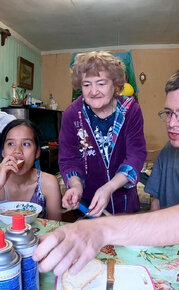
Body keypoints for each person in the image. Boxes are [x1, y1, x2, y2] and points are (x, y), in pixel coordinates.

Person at [33, 68, 179, 288]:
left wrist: (102, 229)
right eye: (169, 112)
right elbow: (156, 208)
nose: (172, 123)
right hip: (165, 258)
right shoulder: (168, 152)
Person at [59, 51, 147, 217]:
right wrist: (75, 186)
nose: (93, 91)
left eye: (101, 83)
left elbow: (136, 155)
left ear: (115, 85)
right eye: (86, 85)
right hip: (88, 207)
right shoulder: (72, 114)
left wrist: (109, 187)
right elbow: (69, 158)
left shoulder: (131, 111)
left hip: (125, 206)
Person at [0, 119, 62, 221]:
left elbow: (55, 227)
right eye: (10, 144)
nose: (17, 151)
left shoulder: (49, 183)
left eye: (26, 144)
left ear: (37, 152)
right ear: (3, 152)